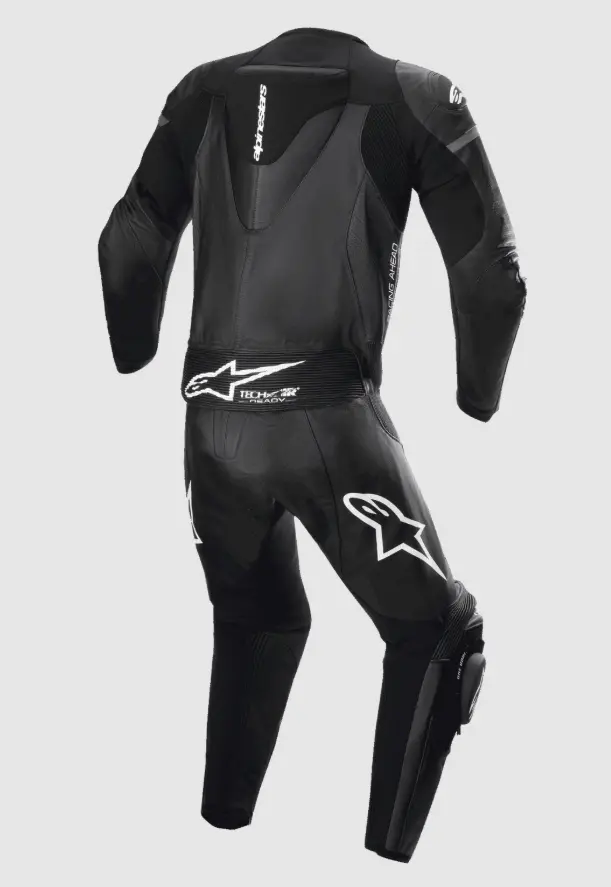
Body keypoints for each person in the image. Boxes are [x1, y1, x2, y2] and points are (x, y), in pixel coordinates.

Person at [99, 27, 525, 862]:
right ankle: (383, 860)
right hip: (326, 422)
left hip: (208, 431)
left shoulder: (202, 89)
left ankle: (220, 832)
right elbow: (493, 275)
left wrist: (132, 348)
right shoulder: (413, 95)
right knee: (439, 632)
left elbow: (127, 240)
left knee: (256, 615)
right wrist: (478, 397)